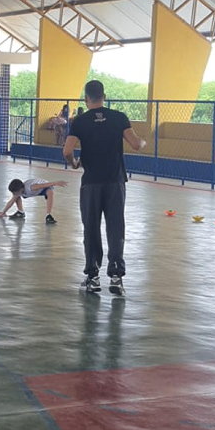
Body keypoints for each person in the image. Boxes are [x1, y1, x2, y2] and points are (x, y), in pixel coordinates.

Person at [63, 80, 146, 295]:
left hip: (91, 182)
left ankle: (93, 277)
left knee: (91, 228)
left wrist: (74, 163)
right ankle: (116, 277)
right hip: (115, 182)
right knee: (115, 228)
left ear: (86, 99)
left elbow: (67, 151)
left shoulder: (80, 121)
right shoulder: (119, 118)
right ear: (104, 96)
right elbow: (135, 144)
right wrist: (142, 142)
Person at [0, 178, 65, 224]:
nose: (13, 194)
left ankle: (48, 215)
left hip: (43, 188)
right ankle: (20, 212)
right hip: (31, 192)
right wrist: (3, 212)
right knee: (16, 197)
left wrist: (56, 183)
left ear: (21, 189)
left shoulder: (31, 187)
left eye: (14, 192)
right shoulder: (19, 191)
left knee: (50, 192)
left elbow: (44, 185)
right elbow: (11, 202)